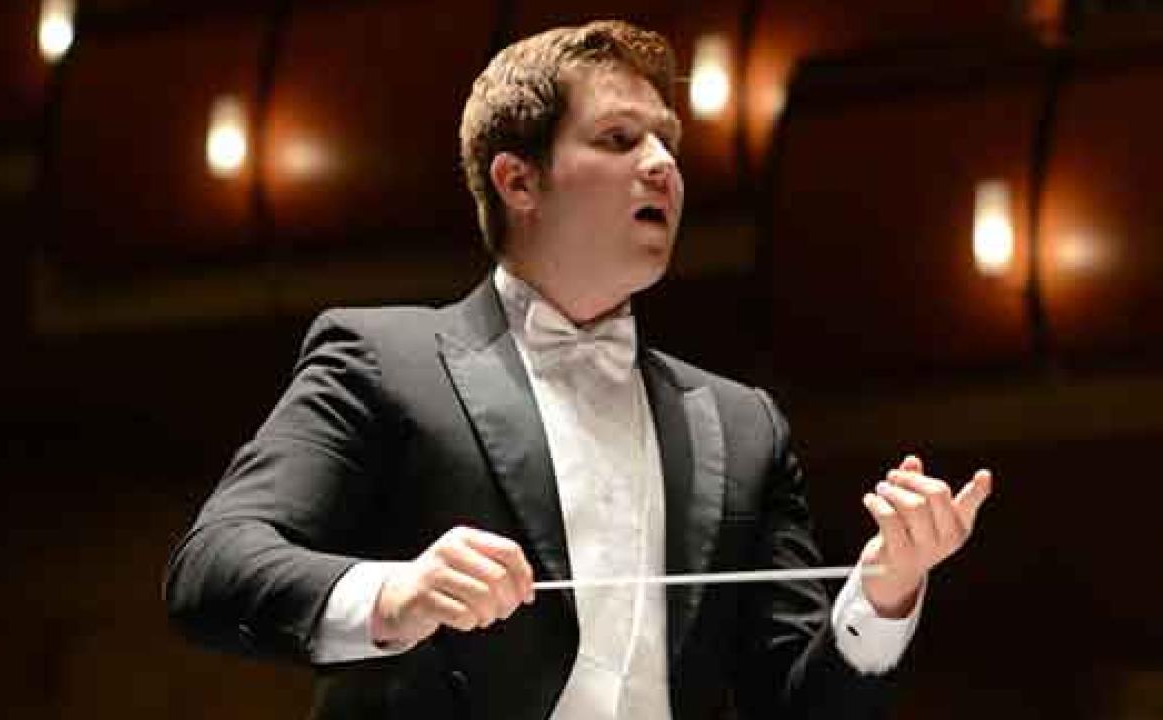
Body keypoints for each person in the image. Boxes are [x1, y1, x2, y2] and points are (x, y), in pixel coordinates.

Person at [165, 19, 993, 720]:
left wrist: (883, 595)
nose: (664, 164)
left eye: (668, 141)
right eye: (618, 139)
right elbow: (214, 568)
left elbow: (796, 703)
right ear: (518, 180)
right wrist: (397, 594)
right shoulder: (382, 360)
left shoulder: (742, 424)